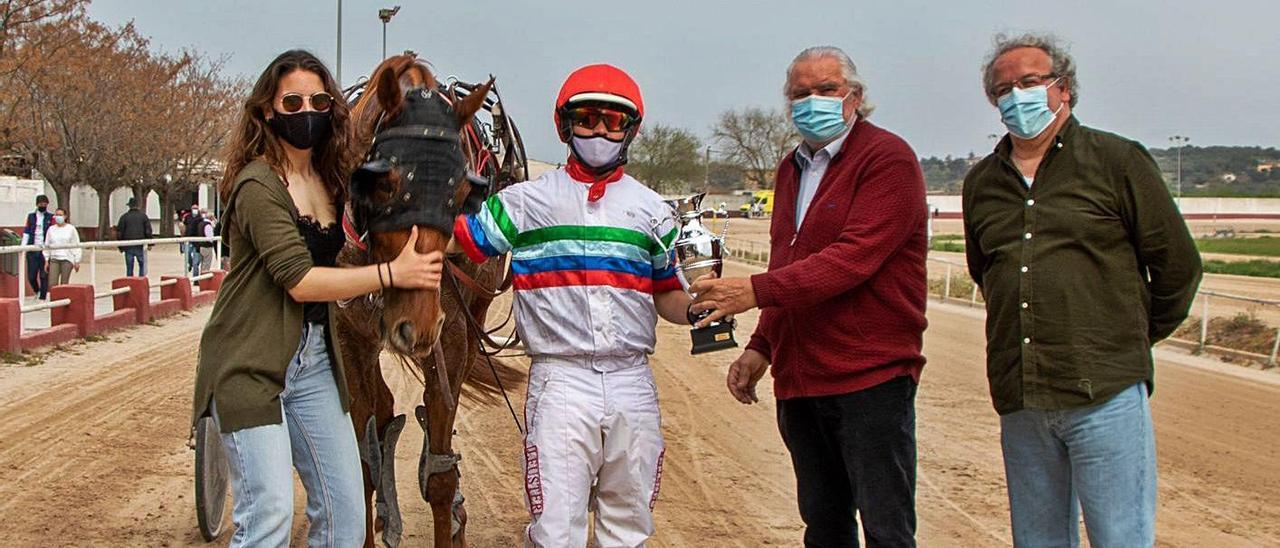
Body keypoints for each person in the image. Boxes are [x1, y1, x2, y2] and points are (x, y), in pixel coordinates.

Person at [190, 49, 444, 548]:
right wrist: (392, 274)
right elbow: (299, 279)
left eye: (318, 99)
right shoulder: (257, 183)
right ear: (266, 111)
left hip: (313, 363)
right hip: (249, 362)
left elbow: (394, 209)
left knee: (347, 519)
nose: (307, 111)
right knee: (269, 519)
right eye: (292, 102)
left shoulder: (332, 181)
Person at [963, 33, 1202, 547]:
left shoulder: (1118, 162)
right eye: (1003, 89)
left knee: (1119, 535)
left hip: (1106, 393)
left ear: (1062, 88)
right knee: (1038, 539)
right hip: (1022, 395)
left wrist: (1124, 339)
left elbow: (1178, 267)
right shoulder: (982, 182)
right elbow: (987, 274)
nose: (1016, 95)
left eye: (1030, 82)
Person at [691, 46, 928, 547]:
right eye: (801, 93)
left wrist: (752, 291)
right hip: (802, 380)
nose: (813, 101)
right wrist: (762, 347)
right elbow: (789, 263)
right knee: (823, 526)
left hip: (869, 378)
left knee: (886, 527)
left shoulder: (887, 159)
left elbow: (852, 258)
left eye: (827, 90)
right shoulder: (791, 169)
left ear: (855, 97)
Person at [449, 63, 693, 547]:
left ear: (631, 129)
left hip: (632, 382)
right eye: (587, 118)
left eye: (613, 120)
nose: (600, 130)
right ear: (565, 126)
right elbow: (460, 242)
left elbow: (668, 294)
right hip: (560, 381)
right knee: (555, 529)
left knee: (628, 525)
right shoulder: (523, 202)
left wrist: (701, 306)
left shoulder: (653, 210)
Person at [21, 194, 53, 299]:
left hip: (45, 250)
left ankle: (43, 297)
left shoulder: (50, 217)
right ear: (37, 204)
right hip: (32, 249)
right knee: (31, 276)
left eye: (45, 204)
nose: (43, 205)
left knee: (44, 275)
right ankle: (37, 290)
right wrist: (23, 247)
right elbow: (26, 232)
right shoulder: (31, 217)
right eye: (41, 203)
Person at [42, 208, 81, 286]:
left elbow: (76, 245)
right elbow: (47, 245)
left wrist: (77, 260)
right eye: (56, 215)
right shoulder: (51, 229)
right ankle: (55, 298)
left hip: (67, 259)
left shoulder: (71, 229)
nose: (58, 217)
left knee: (64, 283)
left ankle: (63, 297)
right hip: (54, 259)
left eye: (60, 215)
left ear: (65, 216)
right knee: (52, 283)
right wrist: (46, 260)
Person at [116, 197, 153, 276]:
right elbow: (148, 231)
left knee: (129, 266)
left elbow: (119, 232)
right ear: (138, 206)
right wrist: (150, 243)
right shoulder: (143, 217)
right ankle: (141, 280)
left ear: (129, 206)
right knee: (142, 265)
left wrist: (120, 246)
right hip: (140, 245)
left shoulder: (124, 217)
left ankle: (130, 281)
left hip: (128, 245)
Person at [198, 208, 216, 273]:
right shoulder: (208, 225)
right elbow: (210, 238)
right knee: (206, 264)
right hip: (207, 247)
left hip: (201, 246)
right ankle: (204, 279)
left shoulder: (201, 224)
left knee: (202, 264)